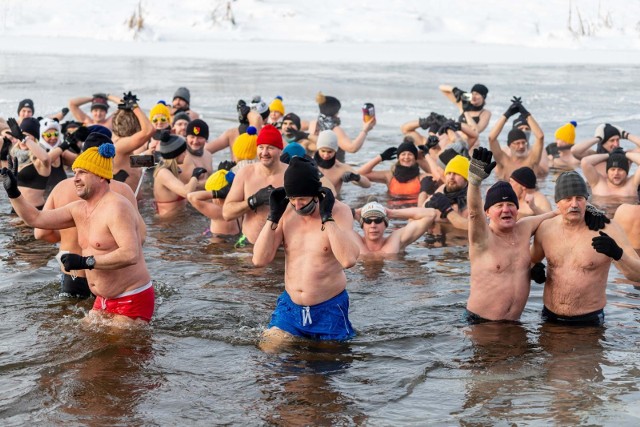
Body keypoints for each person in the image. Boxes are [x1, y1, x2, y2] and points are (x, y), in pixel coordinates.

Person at [1, 142, 153, 325]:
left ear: (100, 176)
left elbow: (131, 254)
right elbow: (35, 219)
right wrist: (13, 192)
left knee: (114, 352)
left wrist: (85, 262)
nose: (75, 178)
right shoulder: (78, 209)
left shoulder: (117, 207)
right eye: (75, 172)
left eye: (82, 172)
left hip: (131, 296)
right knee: (81, 342)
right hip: (103, 300)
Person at [252, 156, 360, 351]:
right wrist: (273, 217)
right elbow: (259, 259)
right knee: (268, 351)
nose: (297, 205)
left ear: (316, 193)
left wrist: (327, 218)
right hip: (290, 308)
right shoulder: (286, 213)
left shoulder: (340, 211)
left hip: (328, 309)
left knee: (321, 371)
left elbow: (348, 259)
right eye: (292, 198)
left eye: (302, 198)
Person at [33, 132, 146, 298]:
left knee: (70, 321)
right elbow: (140, 237)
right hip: (108, 276)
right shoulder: (123, 191)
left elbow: (40, 232)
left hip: (73, 272)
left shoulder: (62, 187)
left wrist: (67, 236)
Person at [531, 171, 640, 326]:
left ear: (586, 200)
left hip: (589, 322)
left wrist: (617, 253)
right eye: (568, 199)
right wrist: (532, 271)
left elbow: (638, 275)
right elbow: (527, 262)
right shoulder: (545, 229)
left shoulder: (608, 229)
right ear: (557, 202)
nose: (574, 204)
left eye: (580, 198)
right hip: (550, 319)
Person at [465, 147, 558, 323]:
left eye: (510, 204)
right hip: (482, 324)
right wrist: (474, 183)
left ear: (517, 209)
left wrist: (591, 213)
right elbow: (473, 213)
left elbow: (556, 214)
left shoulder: (525, 227)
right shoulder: (482, 238)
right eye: (499, 206)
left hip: (514, 325)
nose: (506, 209)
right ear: (488, 212)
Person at [222, 124, 287, 246]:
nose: (264, 152)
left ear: (280, 150)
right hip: (248, 245)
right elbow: (226, 214)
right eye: (261, 147)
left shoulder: (290, 175)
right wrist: (253, 201)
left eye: (270, 148)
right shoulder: (246, 173)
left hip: (282, 249)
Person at [307, 92, 376, 162]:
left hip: (315, 167)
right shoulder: (334, 129)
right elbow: (352, 148)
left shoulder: (313, 124)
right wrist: (365, 130)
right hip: (333, 169)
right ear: (336, 112)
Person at [488, 96, 546, 179]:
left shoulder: (532, 161)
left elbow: (540, 137)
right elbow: (491, 138)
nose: (521, 146)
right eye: (517, 143)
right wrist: (507, 114)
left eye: (523, 143)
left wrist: (526, 114)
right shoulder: (503, 161)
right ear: (509, 145)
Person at [351, 200, 437, 255]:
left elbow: (430, 214)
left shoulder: (396, 240)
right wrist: (353, 212)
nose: (373, 225)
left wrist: (392, 213)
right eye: (368, 221)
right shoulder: (354, 241)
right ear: (362, 225)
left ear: (385, 224)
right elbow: (337, 220)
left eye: (378, 221)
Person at [110, 93, 155, 192]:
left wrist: (108, 96)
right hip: (125, 205)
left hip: (135, 204)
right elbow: (149, 130)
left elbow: (128, 163)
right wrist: (135, 107)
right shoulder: (120, 146)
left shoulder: (121, 148)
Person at [153, 134, 206, 217]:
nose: (186, 154)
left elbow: (193, 187)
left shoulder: (174, 170)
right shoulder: (163, 172)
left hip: (180, 220)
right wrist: (195, 175)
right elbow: (186, 192)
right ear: (175, 154)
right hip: (167, 225)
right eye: (183, 152)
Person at [358, 139, 428, 199]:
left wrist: (426, 155)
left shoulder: (421, 177)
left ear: (415, 158)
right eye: (403, 154)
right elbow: (361, 173)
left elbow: (438, 176)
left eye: (410, 154)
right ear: (398, 158)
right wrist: (380, 157)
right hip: (392, 210)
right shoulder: (389, 176)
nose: (406, 157)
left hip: (413, 211)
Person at [8, 117, 51, 208]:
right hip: (16, 211)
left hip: (35, 211)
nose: (22, 139)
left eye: (26, 136)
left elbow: (45, 158)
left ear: (34, 139)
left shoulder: (39, 161)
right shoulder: (15, 158)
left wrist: (24, 139)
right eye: (19, 135)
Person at [187, 164, 240, 238]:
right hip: (235, 238)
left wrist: (217, 193)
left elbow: (191, 196)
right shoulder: (238, 207)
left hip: (218, 243)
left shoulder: (218, 212)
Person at [313, 130, 370, 194]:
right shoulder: (308, 164)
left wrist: (357, 178)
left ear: (335, 151)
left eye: (330, 152)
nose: (326, 155)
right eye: (323, 151)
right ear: (318, 149)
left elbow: (367, 185)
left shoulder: (341, 168)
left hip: (333, 202)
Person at [39, 117, 78, 193]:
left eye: (56, 134)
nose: (53, 138)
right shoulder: (37, 152)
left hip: (61, 195)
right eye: (49, 135)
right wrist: (63, 146)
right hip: (45, 199)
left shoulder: (61, 152)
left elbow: (80, 162)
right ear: (42, 136)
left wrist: (77, 149)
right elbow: (47, 160)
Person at [179, 119, 213, 183]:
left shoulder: (208, 155)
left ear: (206, 139)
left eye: (200, 137)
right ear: (186, 138)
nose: (195, 141)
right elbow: (186, 186)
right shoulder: (181, 156)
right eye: (192, 137)